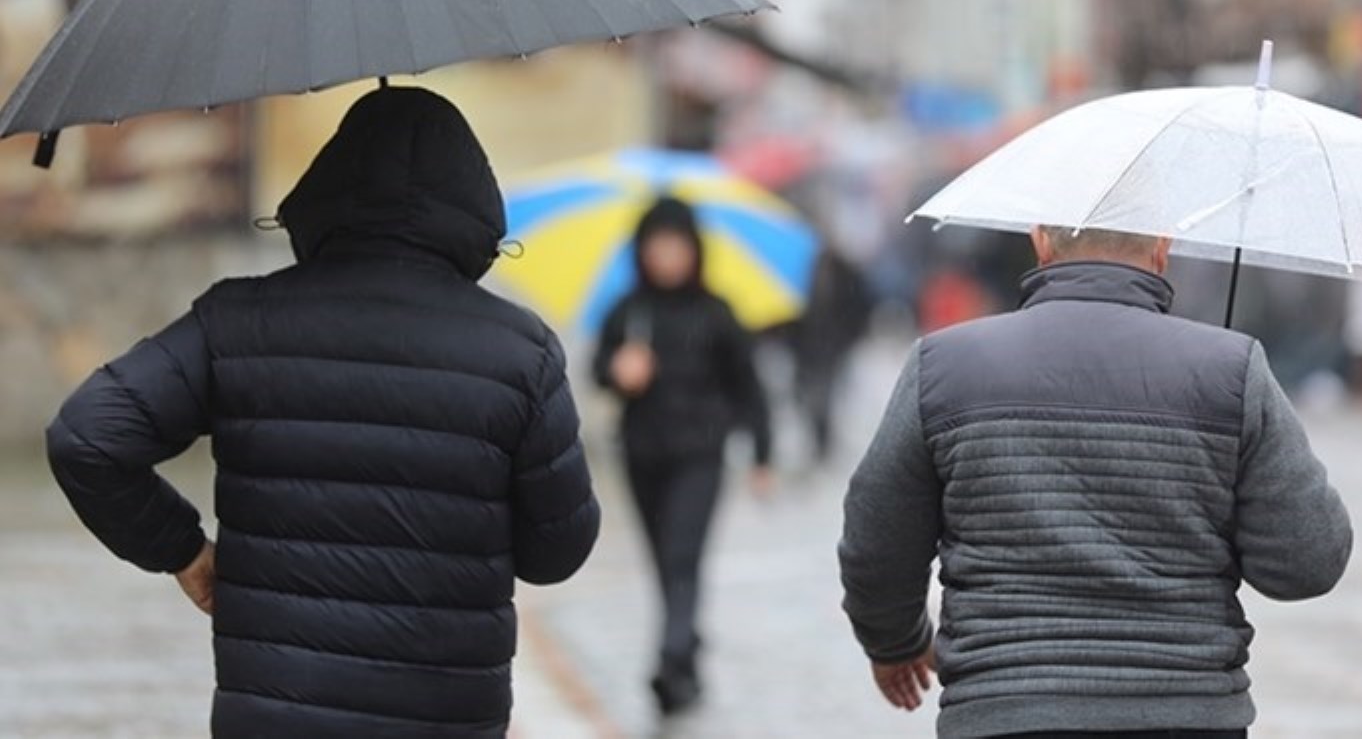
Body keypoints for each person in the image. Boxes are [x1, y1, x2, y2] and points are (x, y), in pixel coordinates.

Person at [47, 87, 601, 737]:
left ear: (325, 190)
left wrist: (185, 551)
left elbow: (89, 437)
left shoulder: (238, 321)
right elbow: (556, 552)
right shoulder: (520, 353)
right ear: (474, 203)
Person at [839, 225, 1353, 738]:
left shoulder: (942, 364)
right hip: (1188, 712)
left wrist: (896, 644)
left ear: (1041, 243)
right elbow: (1307, 562)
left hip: (1003, 709)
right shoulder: (1230, 368)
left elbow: (876, 540)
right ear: (1162, 247)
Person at [593, 195, 774, 715]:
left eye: (676, 245)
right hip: (641, 454)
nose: (667, 255)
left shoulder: (716, 312)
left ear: (694, 249)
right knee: (662, 562)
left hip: (701, 454)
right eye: (657, 245)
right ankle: (686, 657)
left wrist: (762, 456)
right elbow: (598, 370)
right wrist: (618, 372)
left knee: (681, 557)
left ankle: (671, 657)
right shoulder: (628, 311)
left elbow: (750, 388)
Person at [792, 240, 872, 460]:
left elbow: (858, 309)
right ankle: (819, 440)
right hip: (809, 347)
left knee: (824, 396)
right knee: (808, 396)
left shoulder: (845, 274)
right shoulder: (802, 273)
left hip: (831, 346)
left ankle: (823, 443)